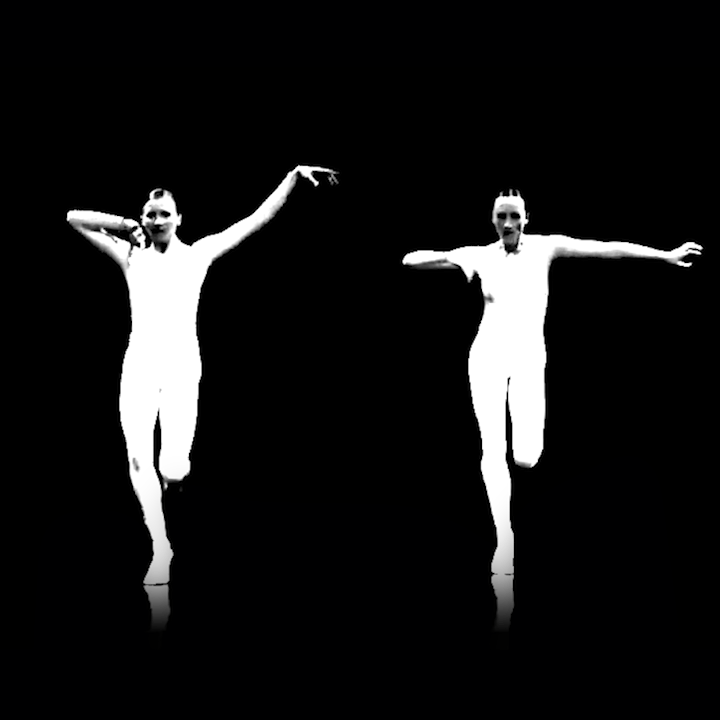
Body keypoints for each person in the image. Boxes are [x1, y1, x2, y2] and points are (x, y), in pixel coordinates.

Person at [402, 189, 702, 575]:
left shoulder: (547, 248)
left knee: (526, 457)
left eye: (514, 216)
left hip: (528, 359)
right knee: (492, 449)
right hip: (486, 357)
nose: (507, 223)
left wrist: (664, 255)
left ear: (527, 218)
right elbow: (410, 259)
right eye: (500, 216)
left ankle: (521, 475)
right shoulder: (480, 255)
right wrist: (454, 258)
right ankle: (504, 541)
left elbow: (608, 249)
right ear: (492, 219)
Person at [67, 165, 339, 585]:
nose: (156, 220)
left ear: (179, 218)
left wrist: (292, 176)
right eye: (150, 214)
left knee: (173, 467)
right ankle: (160, 547)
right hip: (139, 366)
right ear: (143, 218)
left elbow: (257, 219)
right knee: (137, 458)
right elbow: (74, 218)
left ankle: (175, 485)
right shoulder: (130, 256)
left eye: (164, 213)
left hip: (181, 367)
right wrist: (122, 224)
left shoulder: (198, 255)